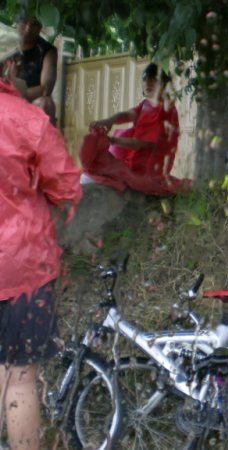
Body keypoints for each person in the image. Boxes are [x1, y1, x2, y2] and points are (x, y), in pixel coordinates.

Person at [0, 65, 81, 450]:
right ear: (8, 67)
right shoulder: (27, 118)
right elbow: (66, 186)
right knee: (21, 378)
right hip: (25, 267)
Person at [81, 62, 185, 196]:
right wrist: (109, 121)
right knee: (91, 174)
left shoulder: (164, 110)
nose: (147, 83)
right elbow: (128, 115)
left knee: (95, 173)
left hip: (147, 173)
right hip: (134, 166)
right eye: (145, 79)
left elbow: (141, 144)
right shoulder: (146, 104)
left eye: (153, 79)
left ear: (164, 84)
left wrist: (112, 140)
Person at [9, 15, 58, 119]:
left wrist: (17, 96)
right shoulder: (5, 43)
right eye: (24, 22)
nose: (28, 28)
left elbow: (45, 89)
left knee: (46, 102)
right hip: (4, 98)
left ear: (40, 27)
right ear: (17, 23)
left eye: (34, 24)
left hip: (28, 102)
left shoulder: (48, 51)